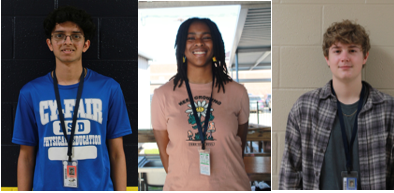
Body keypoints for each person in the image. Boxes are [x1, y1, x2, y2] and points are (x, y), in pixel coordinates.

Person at [279, 20, 394, 190]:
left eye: (352, 50)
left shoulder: (388, 109)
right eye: (337, 51)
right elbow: (290, 173)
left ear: (365, 57)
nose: (344, 57)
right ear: (327, 58)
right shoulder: (304, 109)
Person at [12, 6, 132, 191]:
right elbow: (26, 156)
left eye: (75, 36)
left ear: (86, 44)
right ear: (50, 43)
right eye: (59, 35)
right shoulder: (30, 92)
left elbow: (117, 153)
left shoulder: (109, 88)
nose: (67, 41)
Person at [151, 17, 251, 191]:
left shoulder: (238, 92)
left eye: (206, 37)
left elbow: (238, 148)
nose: (199, 43)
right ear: (182, 46)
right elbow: (165, 154)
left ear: (216, 44)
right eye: (191, 38)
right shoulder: (162, 95)